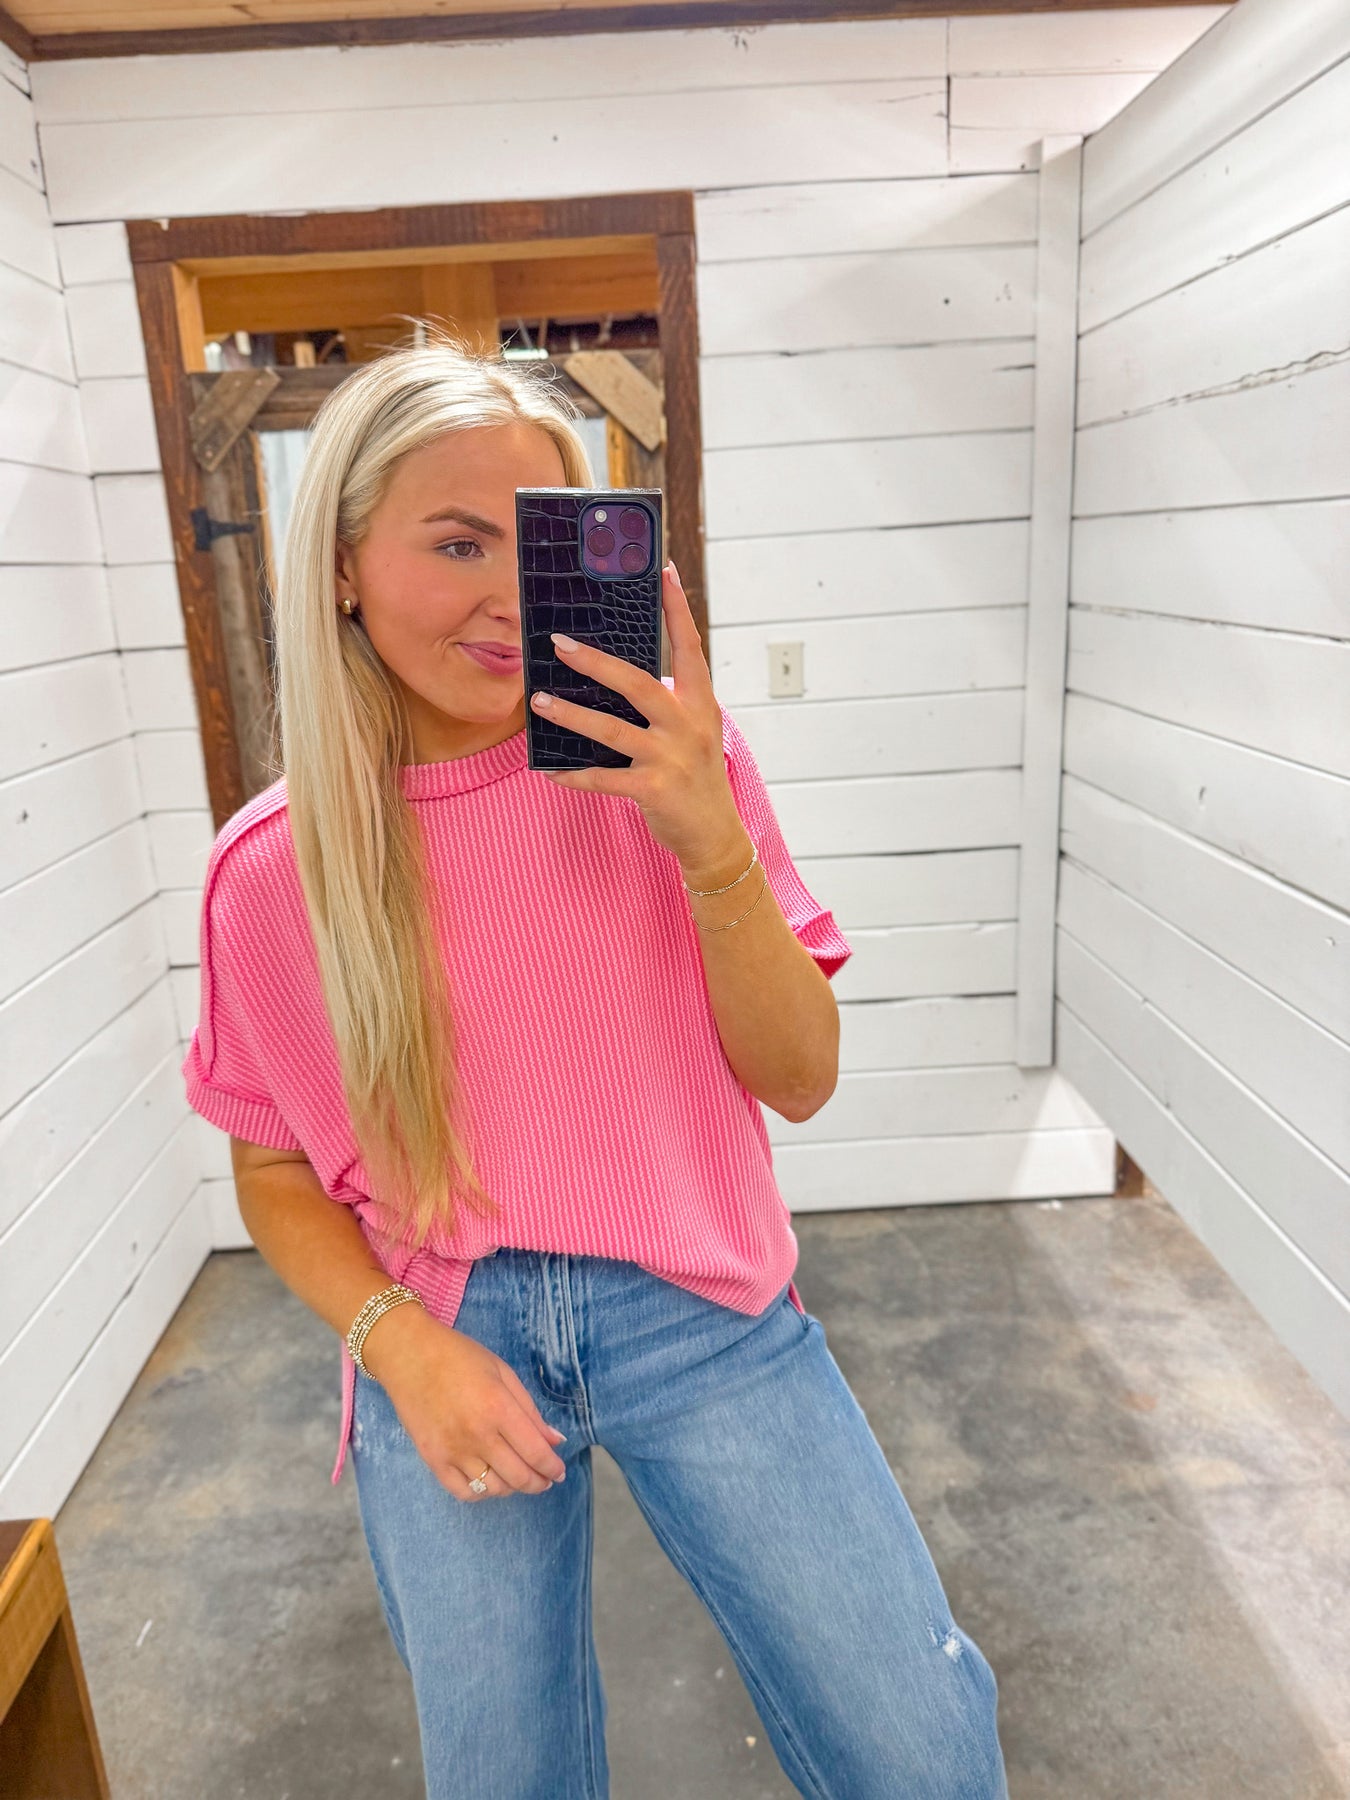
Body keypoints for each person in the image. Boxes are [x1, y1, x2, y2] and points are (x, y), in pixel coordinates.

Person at [181, 324, 1009, 1799]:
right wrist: (400, 1348)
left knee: (918, 1745)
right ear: (344, 566)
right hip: (449, 1330)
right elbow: (272, 1166)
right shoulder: (272, 870)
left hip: (706, 1312)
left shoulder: (672, 770)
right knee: (503, 1775)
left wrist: (706, 840)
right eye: (454, 543)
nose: (509, 598)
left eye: (544, 543)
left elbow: (801, 1075)